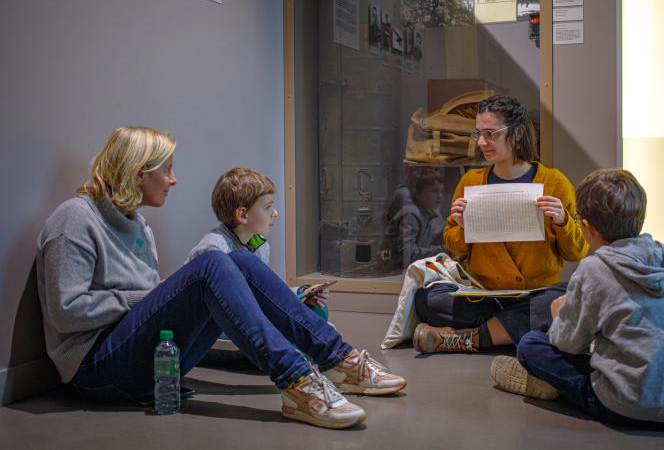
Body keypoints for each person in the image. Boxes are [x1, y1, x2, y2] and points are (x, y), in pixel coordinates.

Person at [36, 126, 405, 430]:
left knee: (239, 261)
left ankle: (341, 360)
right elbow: (66, 312)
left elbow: (144, 307)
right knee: (213, 262)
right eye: (167, 170)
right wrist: (147, 297)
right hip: (94, 370)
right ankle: (297, 382)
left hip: (149, 362)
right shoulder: (74, 220)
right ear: (138, 173)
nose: (174, 179)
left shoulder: (139, 225)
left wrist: (152, 298)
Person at [490, 169, 664, 426]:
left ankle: (551, 385)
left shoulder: (594, 268)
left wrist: (558, 317)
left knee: (530, 344)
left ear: (587, 227)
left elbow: (568, 344)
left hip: (631, 405)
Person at [413, 95, 588, 353]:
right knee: (427, 299)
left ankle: (466, 338)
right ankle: (507, 329)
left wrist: (562, 221)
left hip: (535, 293)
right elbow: (456, 250)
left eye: (491, 134)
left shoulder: (554, 182)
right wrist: (461, 226)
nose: (482, 142)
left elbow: (577, 253)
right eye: (478, 133)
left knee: (562, 297)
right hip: (485, 294)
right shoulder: (471, 182)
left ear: (517, 133)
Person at [187, 167, 329, 358]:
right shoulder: (213, 249)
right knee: (287, 328)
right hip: (216, 322)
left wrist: (303, 293)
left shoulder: (260, 246)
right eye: (268, 207)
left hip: (249, 311)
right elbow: (230, 306)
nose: (275, 213)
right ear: (243, 215)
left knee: (318, 310)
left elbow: (263, 292)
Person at [383, 166, 446, 269]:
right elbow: (408, 255)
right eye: (434, 191)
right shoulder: (411, 215)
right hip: (394, 271)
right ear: (418, 193)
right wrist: (444, 250)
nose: (440, 196)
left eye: (441, 191)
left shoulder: (428, 212)